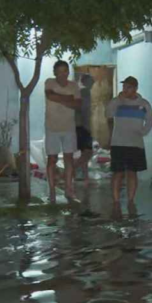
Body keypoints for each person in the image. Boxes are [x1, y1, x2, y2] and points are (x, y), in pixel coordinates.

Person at [106, 76, 152, 216]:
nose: (125, 90)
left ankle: (130, 200)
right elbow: (108, 113)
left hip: (135, 143)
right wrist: (117, 99)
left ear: (135, 88)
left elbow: (149, 121)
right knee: (118, 172)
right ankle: (115, 201)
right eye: (124, 87)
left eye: (128, 87)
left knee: (132, 172)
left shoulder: (144, 104)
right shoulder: (118, 103)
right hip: (119, 142)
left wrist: (142, 132)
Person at [44, 60, 81, 203]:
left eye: (65, 71)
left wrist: (59, 98)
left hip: (68, 127)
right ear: (55, 73)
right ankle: (52, 191)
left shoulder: (73, 85)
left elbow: (78, 104)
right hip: (52, 127)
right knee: (52, 159)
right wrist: (68, 99)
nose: (62, 75)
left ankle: (69, 189)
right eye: (59, 72)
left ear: (68, 72)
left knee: (69, 159)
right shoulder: (49, 82)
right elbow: (50, 95)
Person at [74, 74, 94, 184]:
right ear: (85, 81)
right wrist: (88, 126)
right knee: (88, 153)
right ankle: (69, 171)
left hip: (78, 126)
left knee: (83, 152)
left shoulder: (78, 91)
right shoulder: (85, 91)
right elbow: (84, 110)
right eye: (91, 82)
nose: (92, 84)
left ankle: (86, 176)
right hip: (82, 126)